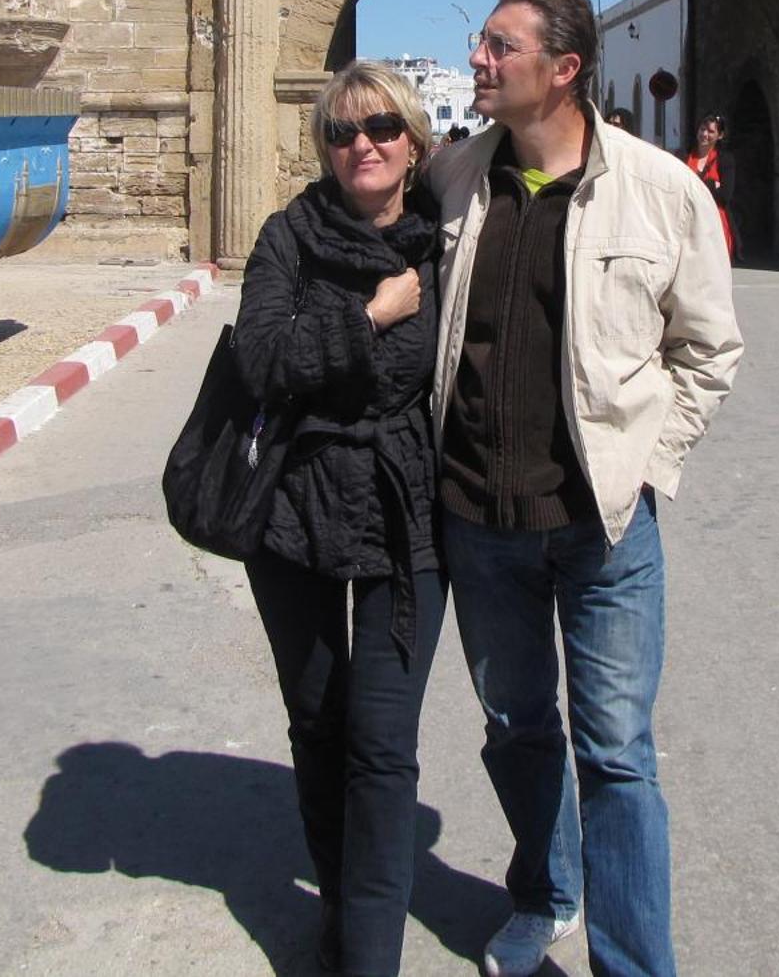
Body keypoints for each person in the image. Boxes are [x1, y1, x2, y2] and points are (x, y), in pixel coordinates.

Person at [428, 0, 744, 977]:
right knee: (517, 729)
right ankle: (544, 892)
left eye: (496, 46)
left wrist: (651, 464)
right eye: (478, 43)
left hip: (603, 527)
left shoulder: (660, 191)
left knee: (615, 756)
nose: (477, 59)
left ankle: (632, 964)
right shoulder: (451, 179)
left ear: (561, 70)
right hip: (477, 520)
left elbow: (707, 350)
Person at [232, 59, 445, 977]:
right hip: (297, 514)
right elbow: (260, 359)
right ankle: (336, 914)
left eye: (382, 128)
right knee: (319, 726)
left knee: (381, 745)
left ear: (413, 142)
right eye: (343, 131)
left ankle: (369, 957)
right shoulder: (289, 235)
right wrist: (369, 317)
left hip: (408, 517)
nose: (363, 145)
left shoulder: (447, 243)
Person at [683, 114, 735, 258]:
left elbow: (725, 196)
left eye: (711, 131)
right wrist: (713, 185)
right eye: (702, 129)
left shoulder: (725, 160)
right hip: (687, 224)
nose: (705, 134)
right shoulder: (684, 156)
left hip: (714, 227)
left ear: (720, 135)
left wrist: (701, 185)